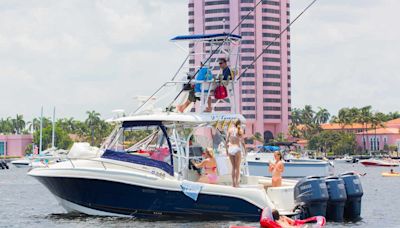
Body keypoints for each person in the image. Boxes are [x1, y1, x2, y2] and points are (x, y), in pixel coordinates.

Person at [227, 119, 244, 187]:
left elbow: (226, 141)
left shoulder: (230, 130)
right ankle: (237, 183)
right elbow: (242, 142)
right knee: (237, 167)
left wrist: (226, 150)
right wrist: (245, 150)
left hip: (230, 148)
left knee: (233, 167)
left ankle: (233, 183)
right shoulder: (239, 130)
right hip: (237, 148)